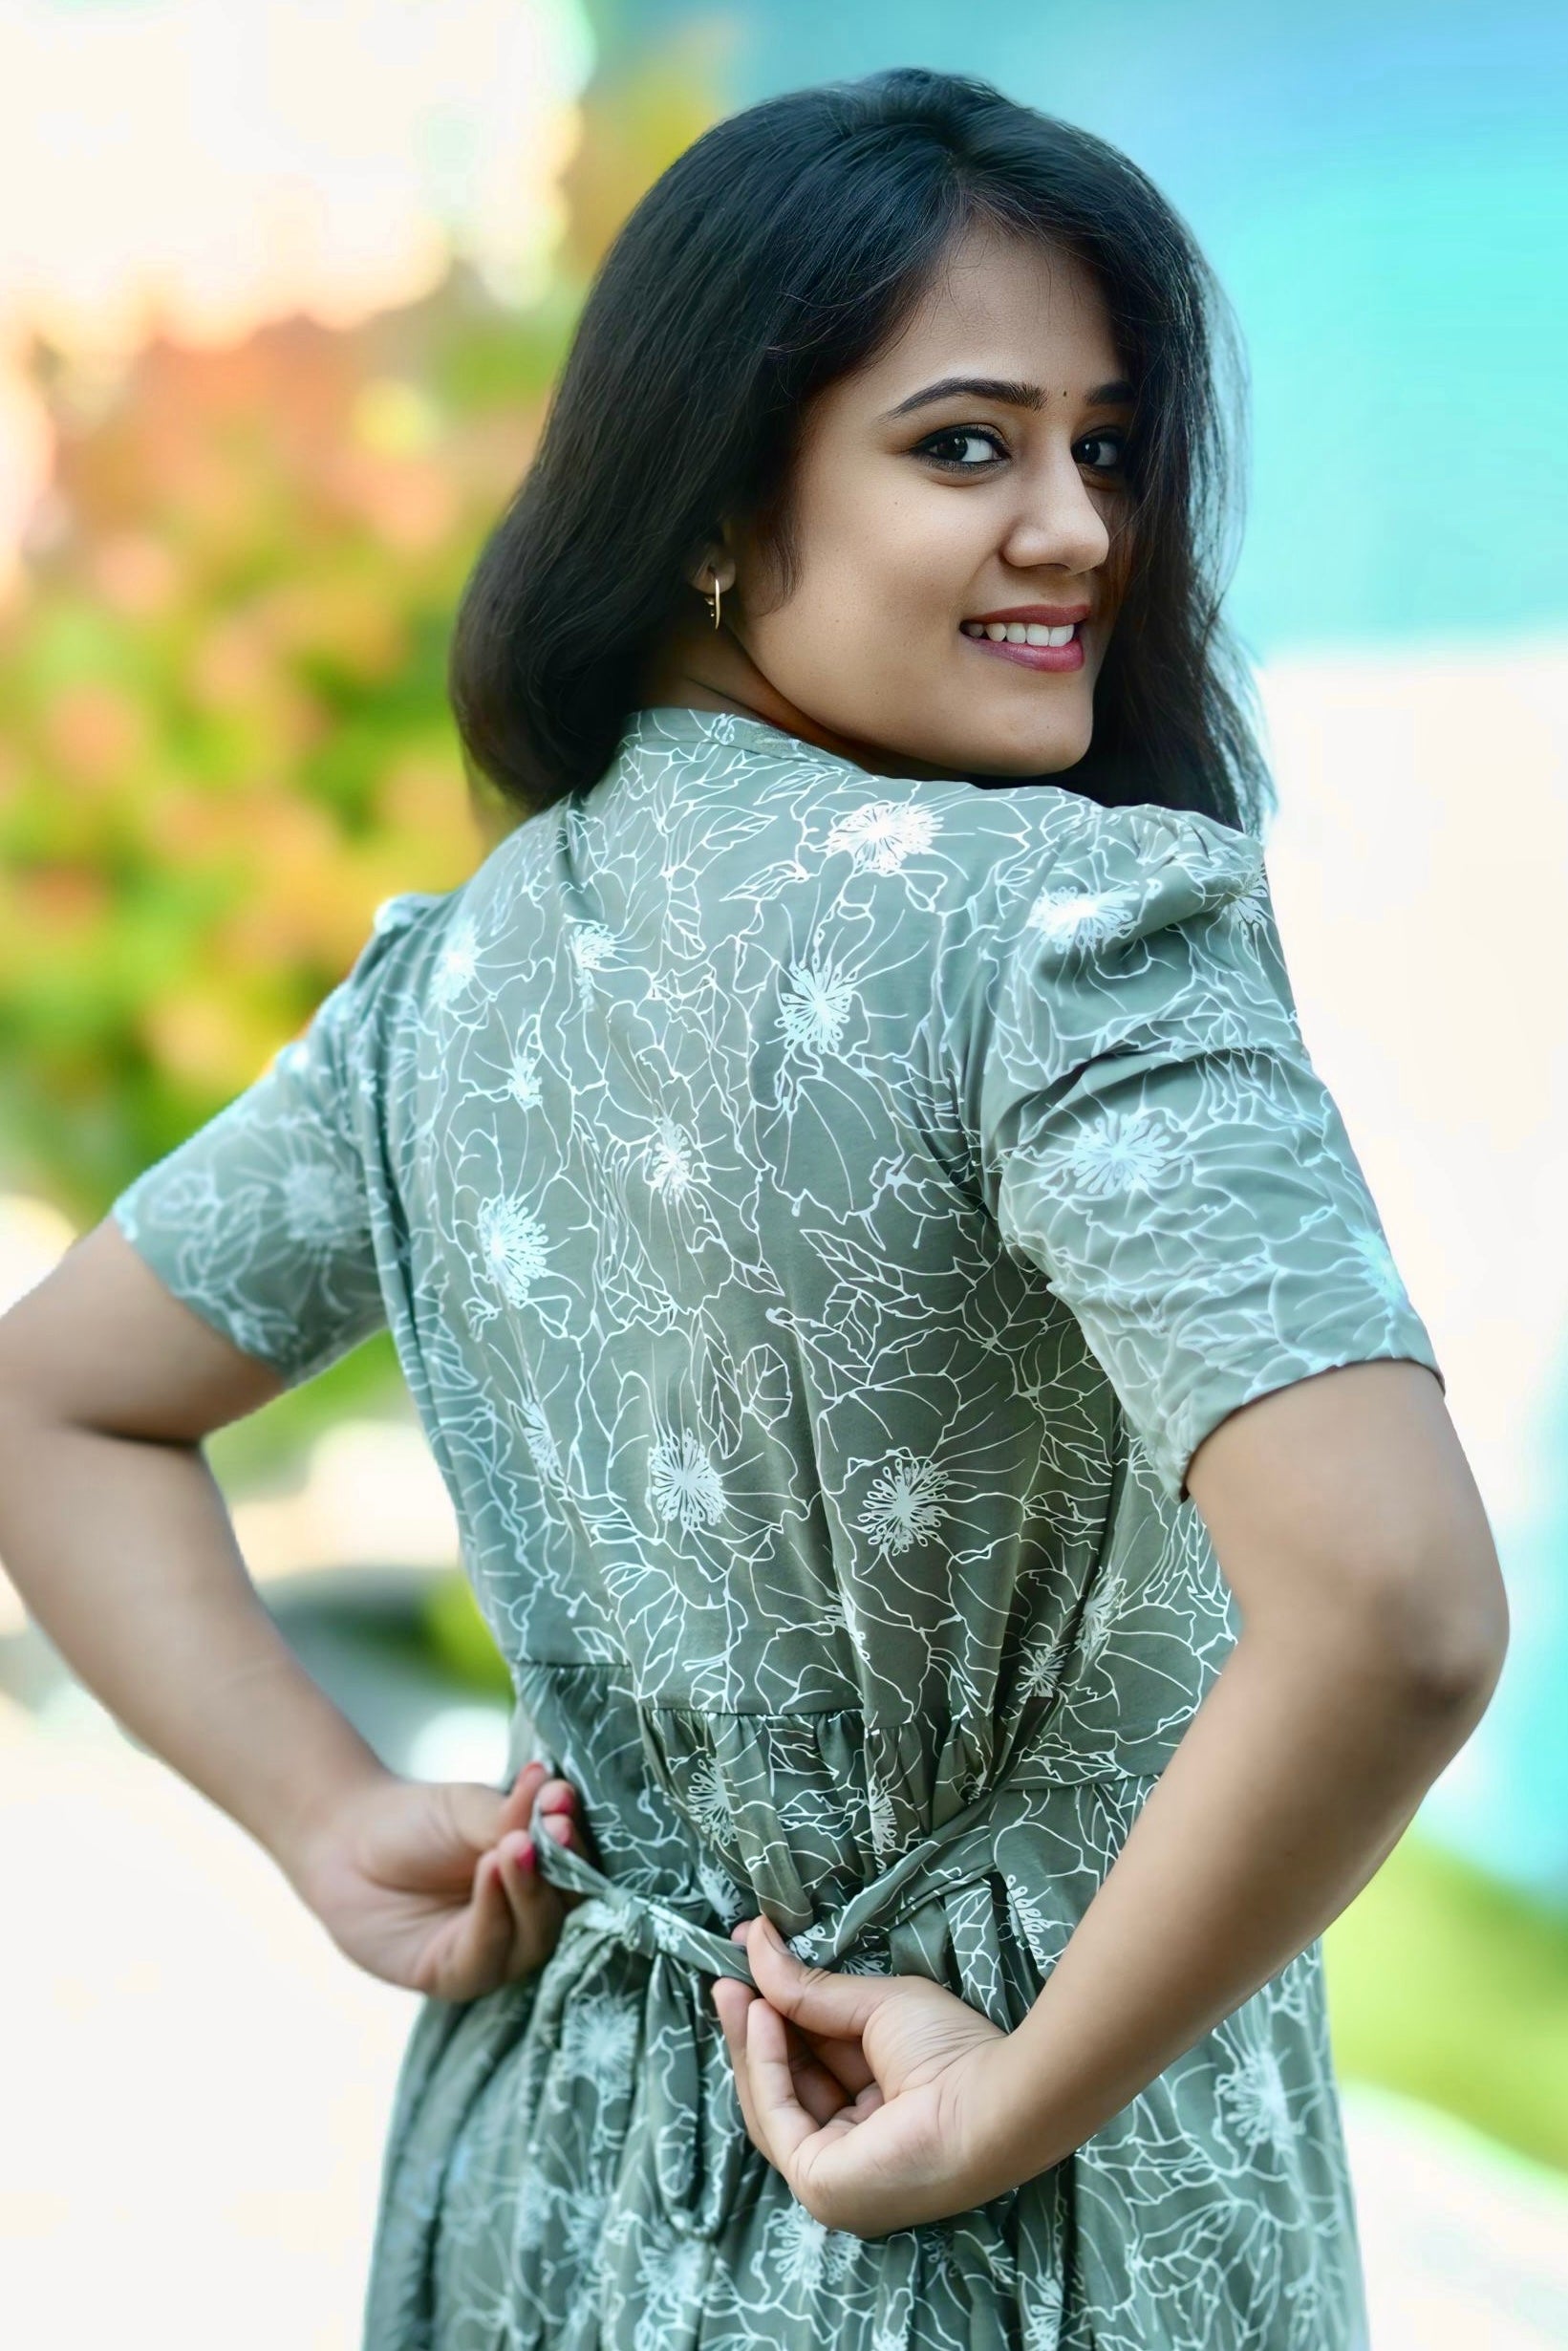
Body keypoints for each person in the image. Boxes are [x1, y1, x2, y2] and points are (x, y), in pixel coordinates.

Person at [0, 65, 1507, 2351]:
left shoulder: (451, 986)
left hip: (551, 2174)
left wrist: (322, 1813)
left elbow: (53, 1405)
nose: (1079, 530)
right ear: (713, 498)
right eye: (964, 445)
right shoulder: (1063, 930)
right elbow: (1393, 1607)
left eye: (1108, 449)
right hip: (975, 2192)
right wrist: (1010, 2102)